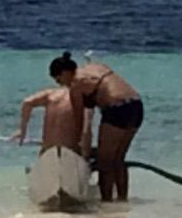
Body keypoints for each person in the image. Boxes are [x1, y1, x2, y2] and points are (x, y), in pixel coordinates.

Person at [49, 51, 146, 203]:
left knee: (105, 162)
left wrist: (76, 146)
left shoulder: (75, 84)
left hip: (116, 109)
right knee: (118, 159)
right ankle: (122, 201)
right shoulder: (97, 67)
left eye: (59, 80)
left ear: (65, 73)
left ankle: (106, 203)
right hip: (136, 106)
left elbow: (79, 120)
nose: (62, 85)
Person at [11, 54, 89, 156]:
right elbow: (86, 128)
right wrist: (86, 153)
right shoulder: (83, 97)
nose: (57, 82)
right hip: (70, 152)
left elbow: (27, 103)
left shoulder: (51, 94)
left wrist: (22, 130)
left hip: (47, 152)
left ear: (65, 73)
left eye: (57, 79)